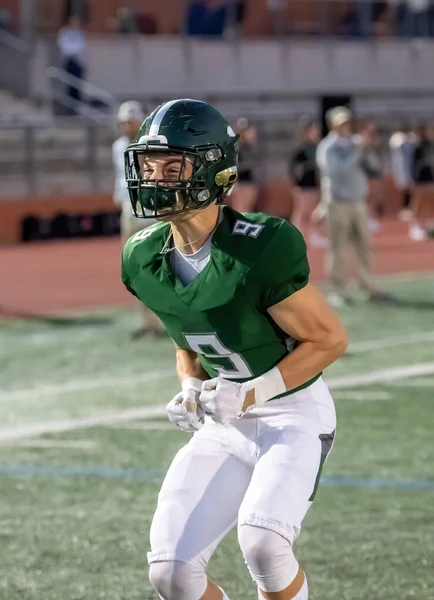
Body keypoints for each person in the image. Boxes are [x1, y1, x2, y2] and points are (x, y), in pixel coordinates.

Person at [122, 98, 348, 600]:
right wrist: (188, 386)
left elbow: (329, 339)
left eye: (171, 166)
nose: (155, 178)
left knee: (265, 543)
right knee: (171, 572)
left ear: (211, 171)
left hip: (291, 411)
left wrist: (252, 394)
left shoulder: (258, 247)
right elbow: (188, 344)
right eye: (148, 165)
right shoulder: (143, 257)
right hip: (223, 423)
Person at [315, 106, 392, 306]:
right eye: (341, 123)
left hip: (358, 203)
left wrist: (369, 149)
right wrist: (358, 150)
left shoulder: (355, 143)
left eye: (347, 122)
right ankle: (338, 290)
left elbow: (374, 169)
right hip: (337, 203)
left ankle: (369, 286)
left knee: (364, 247)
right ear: (332, 125)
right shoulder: (327, 147)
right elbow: (338, 172)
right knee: (338, 247)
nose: (345, 126)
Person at [113, 101, 164, 339]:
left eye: (131, 122)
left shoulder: (151, 145)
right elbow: (120, 176)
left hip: (151, 215)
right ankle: (148, 322)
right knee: (134, 269)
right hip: (129, 212)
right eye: (124, 122)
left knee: (158, 267)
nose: (127, 126)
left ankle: (168, 318)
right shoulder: (118, 146)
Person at [289, 118, 327, 246]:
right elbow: (293, 168)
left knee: (312, 211)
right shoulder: (302, 148)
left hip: (313, 184)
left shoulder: (317, 147)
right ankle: (295, 236)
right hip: (303, 185)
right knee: (301, 211)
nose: (315, 132)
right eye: (312, 130)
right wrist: (295, 184)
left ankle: (312, 235)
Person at [57, 16, 86, 115]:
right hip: (69, 63)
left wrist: (73, 50)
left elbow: (80, 47)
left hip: (78, 63)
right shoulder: (65, 33)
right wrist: (73, 50)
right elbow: (65, 48)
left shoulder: (79, 33)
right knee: (69, 86)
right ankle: (69, 109)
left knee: (77, 87)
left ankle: (76, 108)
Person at [229, 117, 259, 213]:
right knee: (240, 209)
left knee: (247, 209)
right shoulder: (237, 147)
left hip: (249, 181)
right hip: (240, 182)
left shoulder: (249, 147)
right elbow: (234, 165)